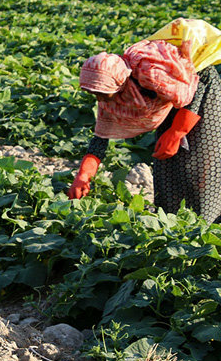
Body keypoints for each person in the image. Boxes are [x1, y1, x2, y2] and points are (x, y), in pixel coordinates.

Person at [69, 19, 221, 222]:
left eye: (101, 93)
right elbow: (100, 139)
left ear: (117, 83)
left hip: (203, 91)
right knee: (166, 162)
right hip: (173, 99)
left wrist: (177, 131)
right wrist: (83, 177)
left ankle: (206, 227)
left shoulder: (152, 74)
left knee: (199, 164)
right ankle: (171, 222)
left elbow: (198, 86)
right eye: (94, 93)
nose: (100, 98)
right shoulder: (115, 94)